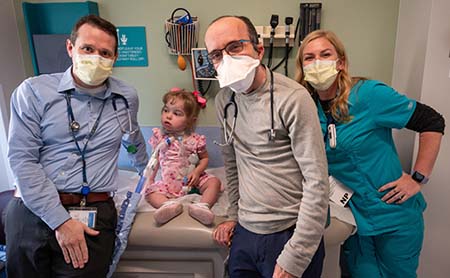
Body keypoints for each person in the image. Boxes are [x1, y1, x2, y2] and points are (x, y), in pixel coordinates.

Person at [5, 15, 149, 277]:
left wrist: (150, 174)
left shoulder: (126, 97)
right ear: (71, 48)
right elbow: (22, 160)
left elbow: (134, 141)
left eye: (105, 53)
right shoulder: (34, 92)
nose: (96, 58)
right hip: (31, 213)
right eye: (88, 49)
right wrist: (61, 221)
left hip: (93, 211)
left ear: (115, 58)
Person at [295, 30, 445, 278]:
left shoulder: (368, 95)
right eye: (309, 58)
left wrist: (418, 177)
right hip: (352, 218)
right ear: (302, 66)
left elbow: (432, 121)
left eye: (325, 54)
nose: (317, 62)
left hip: (394, 216)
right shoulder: (305, 107)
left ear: (340, 62)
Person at [205, 16, 330, 278]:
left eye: (235, 47)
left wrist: (295, 257)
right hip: (246, 234)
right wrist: (233, 215)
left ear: (258, 49)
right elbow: (232, 163)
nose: (226, 59)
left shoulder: (293, 99)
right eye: (216, 55)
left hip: (289, 232)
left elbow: (316, 181)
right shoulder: (224, 100)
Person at [143, 88, 222, 225]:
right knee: (149, 193)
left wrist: (197, 172)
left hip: (192, 182)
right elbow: (154, 160)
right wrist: (149, 180)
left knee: (214, 182)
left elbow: (204, 158)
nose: (168, 116)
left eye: (176, 113)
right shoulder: (159, 138)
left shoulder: (195, 140)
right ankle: (167, 206)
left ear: (191, 121)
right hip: (168, 183)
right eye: (166, 110)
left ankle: (202, 207)